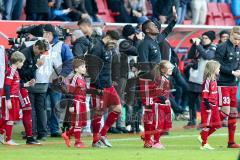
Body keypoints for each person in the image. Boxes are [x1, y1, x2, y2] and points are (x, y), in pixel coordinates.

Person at [86, 30, 121, 148]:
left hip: (108, 84)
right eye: (114, 42)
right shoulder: (97, 48)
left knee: (117, 108)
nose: (114, 45)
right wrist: (97, 85)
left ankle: (103, 134)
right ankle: (95, 141)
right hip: (98, 86)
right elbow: (92, 69)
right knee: (99, 112)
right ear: (108, 37)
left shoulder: (108, 49)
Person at [43, 24, 73, 137]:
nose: (43, 35)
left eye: (44, 33)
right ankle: (42, 128)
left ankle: (54, 129)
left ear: (49, 34)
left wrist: (63, 75)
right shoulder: (41, 44)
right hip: (43, 81)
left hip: (56, 82)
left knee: (55, 106)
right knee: (43, 106)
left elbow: (70, 62)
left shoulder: (62, 46)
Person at [0, 51, 34, 145]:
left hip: (14, 97)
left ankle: (4, 135)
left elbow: (14, 84)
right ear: (18, 61)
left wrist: (25, 84)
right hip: (10, 97)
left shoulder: (15, 72)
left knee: (10, 118)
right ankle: (8, 139)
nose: (23, 64)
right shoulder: (11, 70)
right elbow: (7, 85)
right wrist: (7, 99)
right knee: (8, 118)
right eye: (22, 62)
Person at [184, 31, 217, 129]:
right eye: (203, 38)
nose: (203, 40)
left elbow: (208, 56)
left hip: (205, 79)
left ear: (211, 39)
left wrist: (198, 45)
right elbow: (190, 56)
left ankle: (204, 122)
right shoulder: (199, 46)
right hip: (194, 78)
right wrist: (194, 45)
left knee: (204, 102)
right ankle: (192, 121)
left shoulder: (213, 47)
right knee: (191, 102)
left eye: (206, 38)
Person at [20, 39, 50, 142]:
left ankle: (41, 133)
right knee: (31, 109)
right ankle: (31, 134)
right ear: (36, 47)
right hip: (26, 86)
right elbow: (22, 73)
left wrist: (33, 78)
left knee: (40, 109)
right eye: (40, 52)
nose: (41, 54)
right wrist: (36, 66)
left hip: (35, 84)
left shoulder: (35, 53)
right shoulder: (24, 54)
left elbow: (31, 71)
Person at [215, 26, 240, 148]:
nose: (237, 41)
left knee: (233, 113)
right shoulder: (222, 47)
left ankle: (231, 142)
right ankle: (205, 130)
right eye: (235, 38)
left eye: (239, 39)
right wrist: (232, 72)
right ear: (231, 34)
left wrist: (238, 71)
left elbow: (238, 63)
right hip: (223, 83)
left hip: (233, 84)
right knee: (225, 111)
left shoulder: (237, 48)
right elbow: (217, 64)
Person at [139, 60, 173, 149]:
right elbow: (158, 92)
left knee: (164, 124)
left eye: (171, 67)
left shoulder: (164, 78)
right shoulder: (160, 79)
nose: (171, 69)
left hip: (161, 103)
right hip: (157, 103)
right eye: (169, 68)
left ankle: (150, 137)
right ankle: (151, 140)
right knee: (153, 119)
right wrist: (164, 100)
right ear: (162, 69)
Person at [62, 59, 88, 148]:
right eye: (82, 67)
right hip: (76, 102)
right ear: (76, 69)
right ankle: (78, 142)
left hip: (83, 103)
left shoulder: (82, 78)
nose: (84, 68)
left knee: (81, 123)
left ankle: (67, 134)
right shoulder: (75, 78)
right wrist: (72, 105)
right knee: (77, 123)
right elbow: (70, 92)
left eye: (84, 66)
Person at [198, 60, 221, 150]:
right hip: (208, 106)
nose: (219, 70)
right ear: (213, 69)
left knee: (217, 125)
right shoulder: (207, 80)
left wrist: (217, 105)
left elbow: (214, 94)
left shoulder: (214, 79)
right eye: (218, 68)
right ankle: (204, 144)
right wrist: (208, 107)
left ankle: (202, 136)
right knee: (207, 125)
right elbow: (205, 95)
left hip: (214, 106)